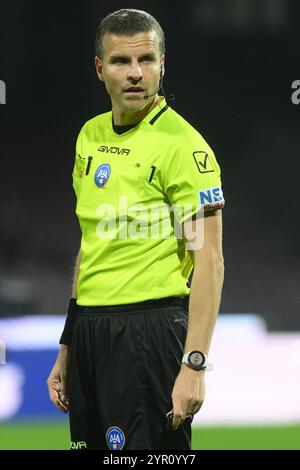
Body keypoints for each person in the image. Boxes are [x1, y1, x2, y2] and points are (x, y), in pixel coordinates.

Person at [47, 8, 225, 451]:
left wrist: (194, 365)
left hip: (149, 332)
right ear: (99, 68)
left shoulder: (183, 147)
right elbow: (92, 244)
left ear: (162, 65)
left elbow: (210, 260)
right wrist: (69, 344)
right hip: (89, 332)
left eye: (146, 60)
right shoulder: (88, 137)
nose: (134, 74)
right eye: (121, 62)